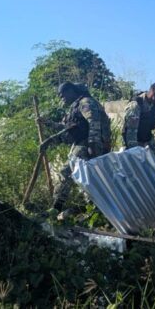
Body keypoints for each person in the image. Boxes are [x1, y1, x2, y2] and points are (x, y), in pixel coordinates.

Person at [48, 82, 111, 213]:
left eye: (62, 95)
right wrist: (48, 123)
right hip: (82, 144)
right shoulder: (75, 106)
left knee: (66, 172)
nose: (62, 99)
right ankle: (94, 208)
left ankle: (56, 208)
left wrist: (92, 145)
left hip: (88, 144)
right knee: (85, 177)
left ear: (71, 91)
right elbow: (67, 127)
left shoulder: (85, 103)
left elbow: (94, 123)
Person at [122, 82, 155, 161]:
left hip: (146, 140)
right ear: (154, 91)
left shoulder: (153, 105)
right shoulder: (135, 105)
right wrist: (135, 153)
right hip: (134, 143)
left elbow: (149, 128)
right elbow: (130, 133)